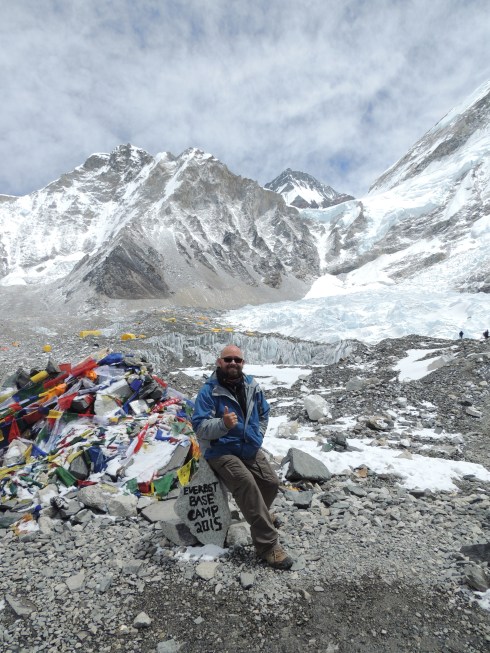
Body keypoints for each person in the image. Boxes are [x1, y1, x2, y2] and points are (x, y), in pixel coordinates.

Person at [191, 344, 293, 570]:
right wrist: (223, 425)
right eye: (228, 360)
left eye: (237, 360)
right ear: (219, 362)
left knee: (270, 483)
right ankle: (268, 547)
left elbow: (264, 412)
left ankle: (259, 516)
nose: (233, 364)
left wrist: (258, 435)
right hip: (221, 450)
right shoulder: (209, 391)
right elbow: (199, 427)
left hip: (248, 446)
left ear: (243, 363)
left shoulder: (251, 386)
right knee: (247, 484)